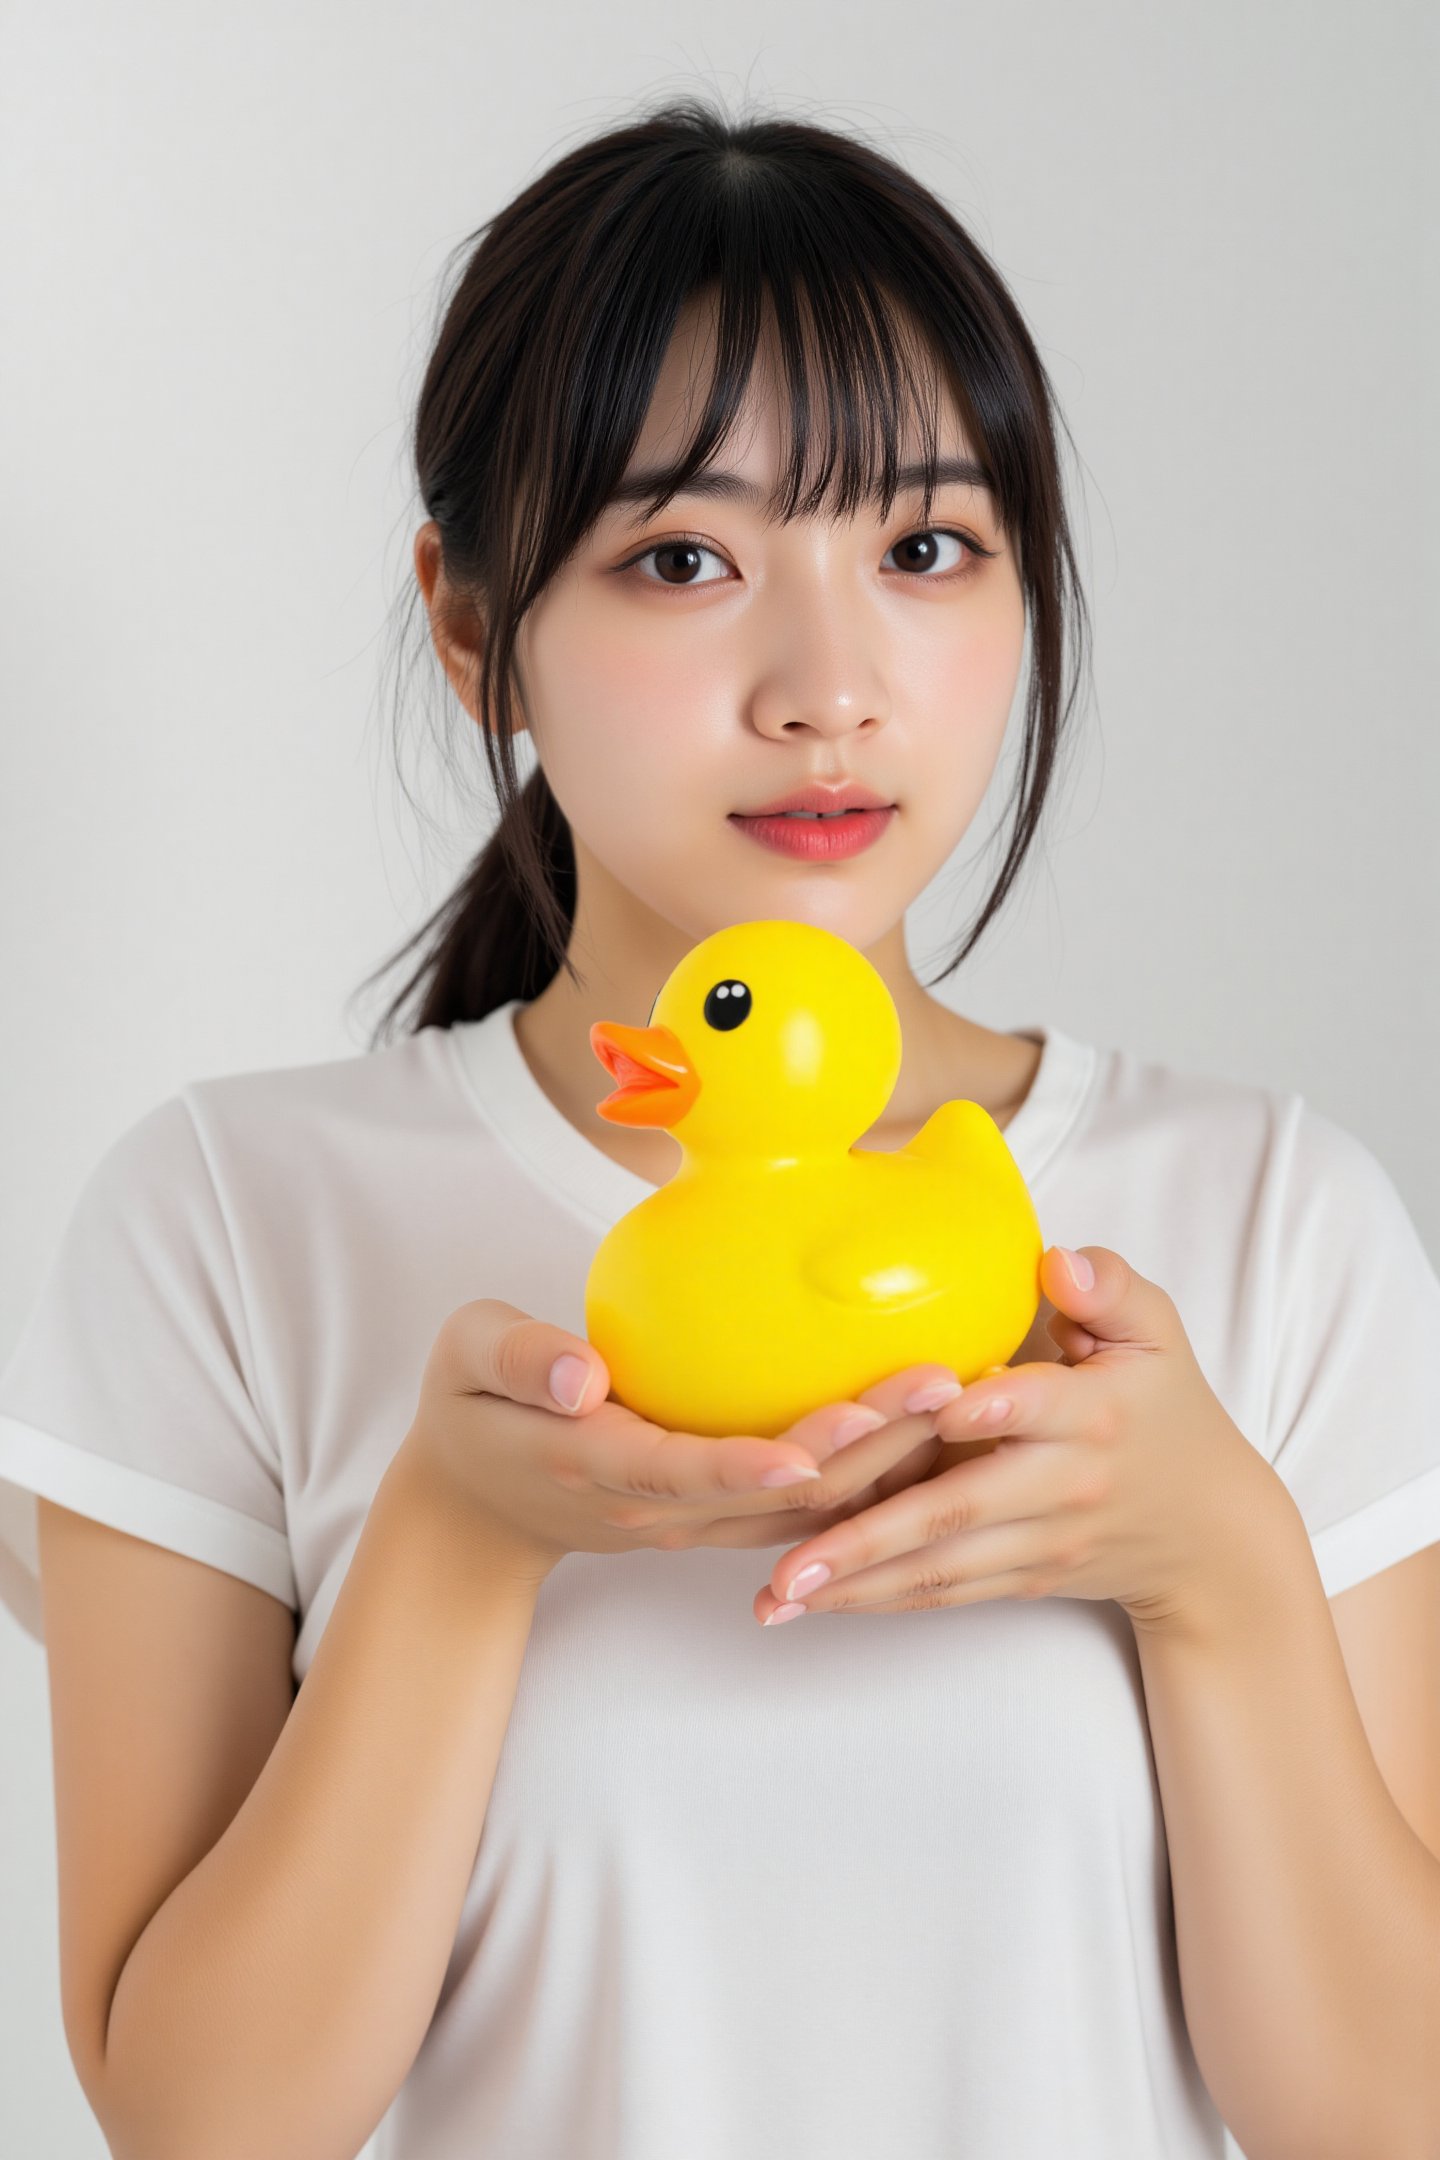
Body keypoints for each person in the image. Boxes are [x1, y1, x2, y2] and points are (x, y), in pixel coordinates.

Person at [2, 95, 1438, 2160]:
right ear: (475, 624)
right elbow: (201, 2123)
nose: (831, 682)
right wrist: (460, 1543)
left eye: (925, 548)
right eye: (684, 558)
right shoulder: (234, 1219)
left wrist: (1215, 1571)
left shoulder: (1272, 1218)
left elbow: (1385, 2121)